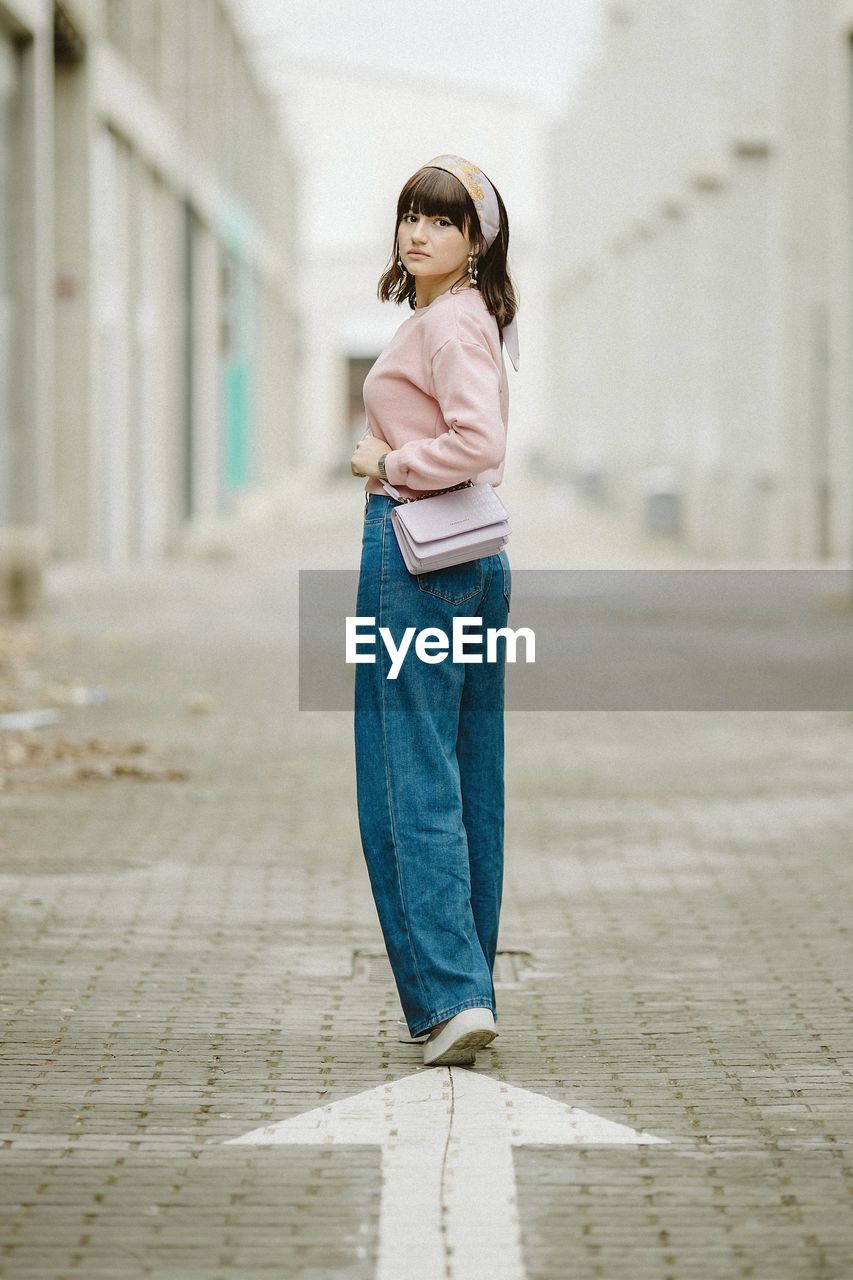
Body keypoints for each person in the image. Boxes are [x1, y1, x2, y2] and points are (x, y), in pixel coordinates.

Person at [350, 154, 519, 1068]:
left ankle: (449, 995)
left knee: (404, 772)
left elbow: (477, 442)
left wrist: (386, 465)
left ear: (474, 242)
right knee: (464, 777)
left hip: (418, 553)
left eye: (443, 222)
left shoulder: (447, 323)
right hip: (474, 559)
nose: (419, 232)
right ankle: (468, 988)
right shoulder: (469, 319)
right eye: (411, 214)